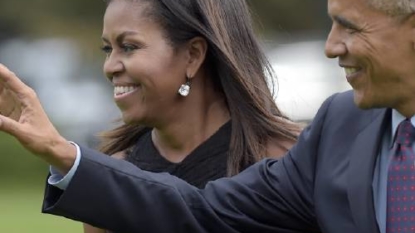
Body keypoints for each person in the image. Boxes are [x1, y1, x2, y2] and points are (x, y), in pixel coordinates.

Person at [1, 0, 414, 232]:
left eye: (351, 27)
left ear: (194, 55)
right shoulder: (339, 127)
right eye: (108, 49)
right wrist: (64, 156)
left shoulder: (288, 147)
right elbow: (203, 212)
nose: (331, 47)